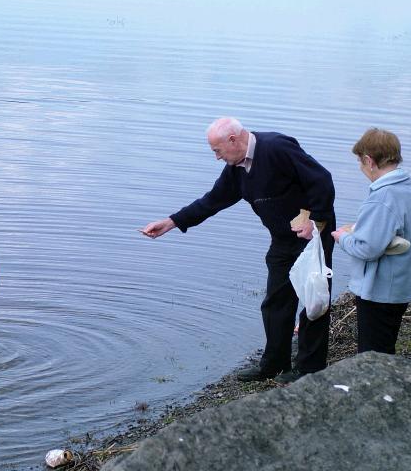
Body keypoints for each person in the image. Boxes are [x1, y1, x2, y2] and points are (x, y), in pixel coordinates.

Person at [140, 117, 335, 383]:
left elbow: (321, 180)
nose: (217, 158)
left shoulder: (277, 148)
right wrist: (172, 222)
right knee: (275, 301)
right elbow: (213, 200)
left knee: (314, 299)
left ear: (233, 140)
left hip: (312, 233)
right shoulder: (237, 167)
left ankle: (309, 369)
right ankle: (274, 364)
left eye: (217, 150)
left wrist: (317, 221)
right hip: (282, 237)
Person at [331, 128, 411, 354]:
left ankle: (380, 389)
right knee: (386, 345)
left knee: (372, 355)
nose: (361, 168)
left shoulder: (382, 197)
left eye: (360, 162)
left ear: (369, 161)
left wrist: (343, 238)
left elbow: (367, 248)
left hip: (381, 290)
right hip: (402, 284)